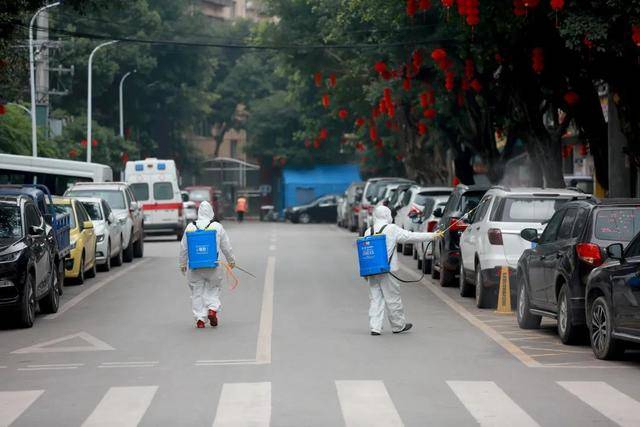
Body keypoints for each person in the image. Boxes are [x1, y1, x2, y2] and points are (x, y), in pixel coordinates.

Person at [364, 205, 442, 336]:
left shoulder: (368, 231)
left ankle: (375, 327)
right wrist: (433, 236)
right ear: (386, 215)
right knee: (392, 298)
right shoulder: (391, 229)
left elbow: (365, 254)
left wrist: (366, 273)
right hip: (389, 270)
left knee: (375, 298)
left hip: (372, 270)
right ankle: (398, 325)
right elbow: (411, 236)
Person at [179, 201, 235, 328]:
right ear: (211, 212)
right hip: (213, 265)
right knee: (213, 288)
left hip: (195, 267)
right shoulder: (217, 226)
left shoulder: (190, 227)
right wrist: (231, 260)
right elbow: (226, 246)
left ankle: (200, 318)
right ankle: (212, 309)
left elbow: (183, 248)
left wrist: (182, 264)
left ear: (199, 212)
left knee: (197, 292)